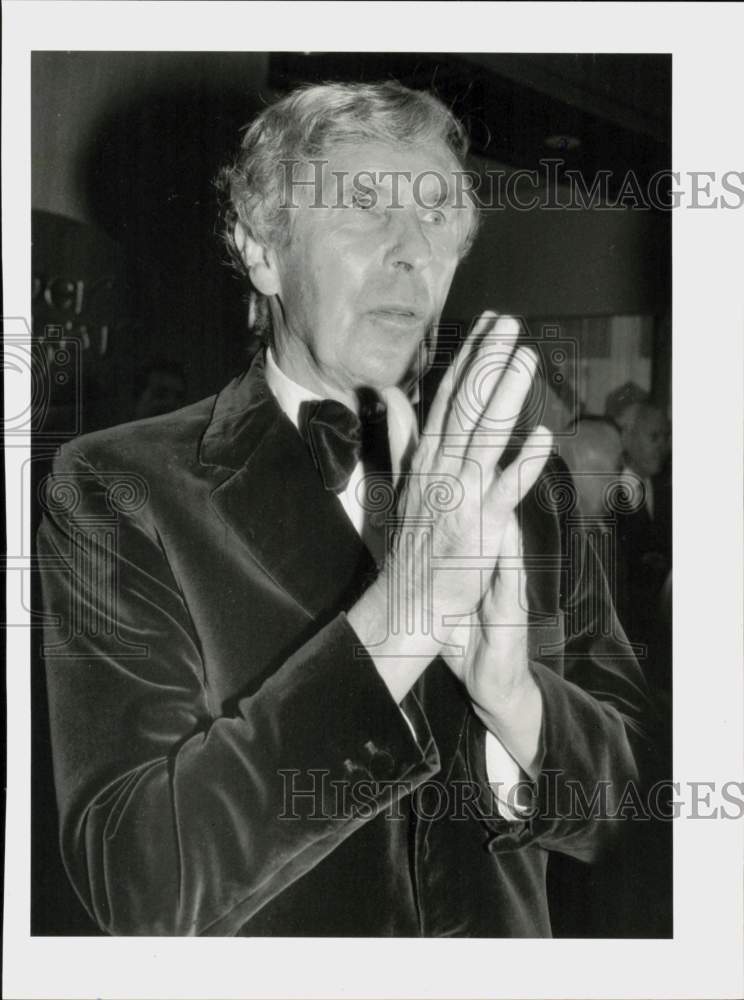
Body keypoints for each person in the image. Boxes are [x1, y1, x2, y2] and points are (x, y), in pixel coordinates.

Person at [37, 81, 653, 938]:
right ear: (261, 249)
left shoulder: (526, 487)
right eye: (364, 208)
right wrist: (402, 621)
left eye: (438, 215)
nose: (411, 250)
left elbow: (645, 811)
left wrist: (520, 704)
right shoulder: (116, 487)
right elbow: (139, 881)